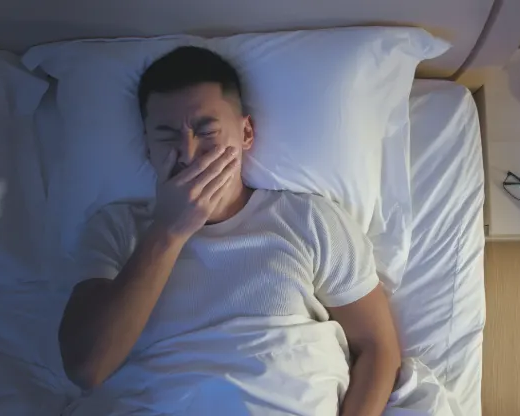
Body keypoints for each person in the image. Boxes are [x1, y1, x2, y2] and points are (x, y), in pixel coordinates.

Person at [58, 46, 401, 415]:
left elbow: (378, 348)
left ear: (246, 133)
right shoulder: (115, 230)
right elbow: (86, 368)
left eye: (206, 131)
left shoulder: (307, 219)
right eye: (166, 135)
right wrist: (168, 231)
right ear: (146, 147)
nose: (188, 153)